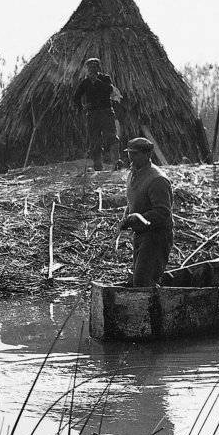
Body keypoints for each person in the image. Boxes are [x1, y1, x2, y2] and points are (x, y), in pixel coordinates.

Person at [120, 137, 174, 287]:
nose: (131, 157)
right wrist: (127, 218)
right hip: (140, 234)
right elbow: (134, 201)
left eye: (136, 154)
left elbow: (163, 212)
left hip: (157, 237)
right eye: (130, 153)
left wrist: (137, 219)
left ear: (147, 155)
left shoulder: (157, 180)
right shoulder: (132, 174)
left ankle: (155, 309)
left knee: (143, 281)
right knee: (140, 279)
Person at [72, 57, 121, 171]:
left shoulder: (105, 78)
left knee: (112, 137)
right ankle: (98, 166)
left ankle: (116, 163)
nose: (92, 69)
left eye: (94, 67)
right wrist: (82, 107)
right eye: (90, 67)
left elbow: (109, 90)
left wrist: (96, 81)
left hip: (106, 112)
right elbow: (76, 97)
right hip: (93, 114)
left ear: (99, 68)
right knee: (94, 140)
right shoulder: (85, 82)